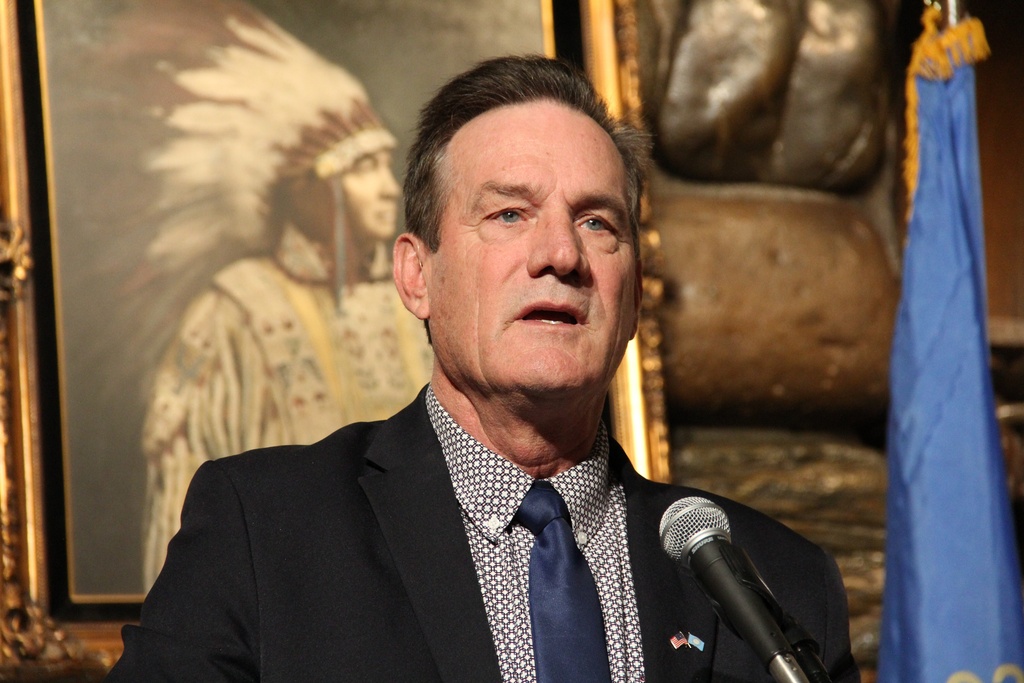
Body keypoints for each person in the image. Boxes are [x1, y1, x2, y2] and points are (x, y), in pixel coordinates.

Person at [108, 55, 859, 682]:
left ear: (633, 299)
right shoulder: (264, 529)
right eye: (509, 214)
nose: (560, 254)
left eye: (598, 222)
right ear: (416, 275)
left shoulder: (780, 581)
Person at [138, 11, 432, 587]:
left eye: (384, 165)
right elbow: (183, 495)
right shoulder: (234, 311)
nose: (385, 189)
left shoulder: (413, 302)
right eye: (361, 168)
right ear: (309, 189)